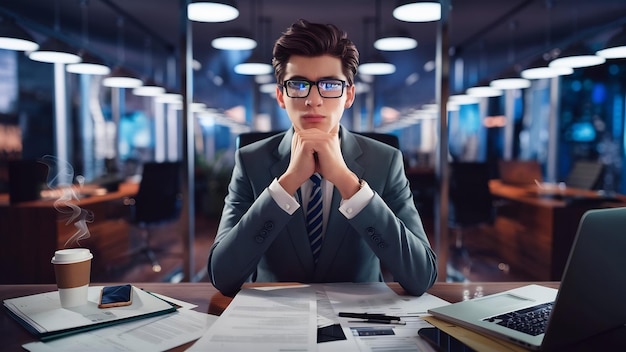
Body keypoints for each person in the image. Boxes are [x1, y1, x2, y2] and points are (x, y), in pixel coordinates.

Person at [208, 19, 437, 296]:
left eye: (329, 85)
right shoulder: (250, 161)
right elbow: (222, 276)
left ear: (349, 95)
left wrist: (348, 183)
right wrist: (286, 184)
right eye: (299, 85)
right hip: (276, 318)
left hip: (359, 317)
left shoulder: (385, 161)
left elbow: (421, 275)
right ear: (281, 96)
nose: (313, 100)